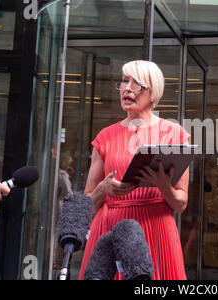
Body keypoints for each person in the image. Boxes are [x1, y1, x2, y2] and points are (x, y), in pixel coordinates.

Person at [78, 60, 190, 280]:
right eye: (124, 81)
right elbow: (86, 206)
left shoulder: (174, 134)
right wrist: (104, 189)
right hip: (111, 230)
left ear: (153, 93)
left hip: (156, 230)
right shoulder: (105, 137)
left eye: (136, 83)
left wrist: (164, 187)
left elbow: (181, 203)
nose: (126, 88)